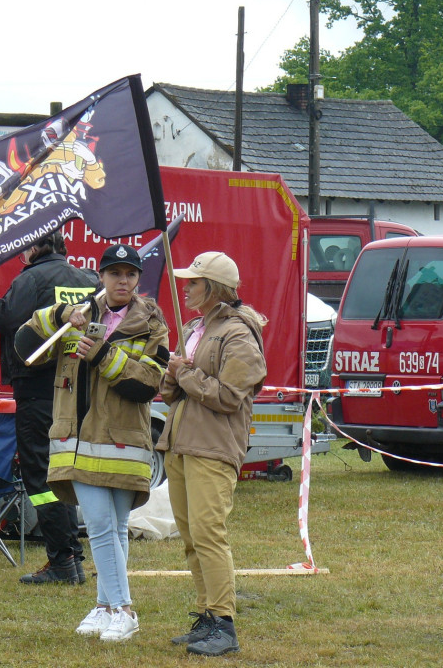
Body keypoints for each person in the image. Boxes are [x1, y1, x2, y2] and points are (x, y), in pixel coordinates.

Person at [15, 244, 169, 642]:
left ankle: (112, 608)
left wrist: (102, 355)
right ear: (100, 275)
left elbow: (148, 384)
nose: (123, 281)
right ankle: (118, 608)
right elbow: (24, 344)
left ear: (138, 280)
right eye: (115, 273)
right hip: (76, 440)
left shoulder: (153, 323)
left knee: (115, 528)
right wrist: (61, 315)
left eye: (130, 274)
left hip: (125, 441)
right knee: (100, 527)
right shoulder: (78, 313)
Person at [0, 230, 98, 584]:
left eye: (24, 244)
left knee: (41, 478)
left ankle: (61, 561)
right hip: (78, 390)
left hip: (38, 390)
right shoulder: (88, 279)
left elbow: (6, 316)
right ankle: (74, 560)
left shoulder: (31, 278)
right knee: (68, 474)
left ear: (37, 245)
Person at [159, 251, 267, 657]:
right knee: (191, 537)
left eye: (193, 282)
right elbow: (175, 389)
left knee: (208, 535)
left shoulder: (239, 334)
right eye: (185, 281)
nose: (185, 287)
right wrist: (172, 374)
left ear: (215, 289)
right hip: (181, 442)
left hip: (213, 446)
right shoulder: (195, 328)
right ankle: (206, 617)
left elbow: (228, 395)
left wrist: (183, 373)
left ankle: (224, 624)